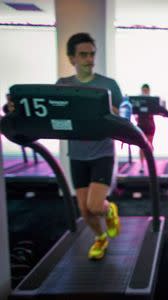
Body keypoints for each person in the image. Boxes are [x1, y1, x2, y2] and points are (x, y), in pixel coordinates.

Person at [56, 33, 123, 260]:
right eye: (83, 54)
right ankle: (100, 238)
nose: (89, 59)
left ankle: (109, 209)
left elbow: (123, 114)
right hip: (77, 155)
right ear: (71, 58)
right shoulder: (63, 85)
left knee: (95, 206)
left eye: (92, 54)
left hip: (102, 152)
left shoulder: (108, 85)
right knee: (84, 211)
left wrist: (115, 113)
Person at [135, 83, 156, 173]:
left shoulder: (152, 100)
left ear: (149, 91)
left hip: (150, 125)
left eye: (146, 90)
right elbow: (134, 112)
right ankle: (142, 165)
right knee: (142, 146)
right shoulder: (138, 100)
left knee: (150, 145)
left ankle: (150, 164)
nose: (145, 92)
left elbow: (156, 111)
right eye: (143, 90)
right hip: (141, 125)